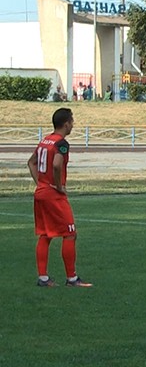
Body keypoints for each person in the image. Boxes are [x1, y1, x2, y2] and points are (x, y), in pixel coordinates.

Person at [27, 108, 92, 287]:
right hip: (53, 195)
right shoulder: (61, 143)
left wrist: (40, 183)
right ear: (66, 124)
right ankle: (72, 278)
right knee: (70, 233)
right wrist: (58, 186)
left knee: (45, 234)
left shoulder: (45, 140)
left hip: (41, 192)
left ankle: (43, 278)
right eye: (72, 121)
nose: (73, 125)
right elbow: (57, 165)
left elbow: (31, 162)